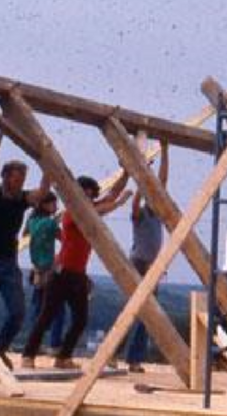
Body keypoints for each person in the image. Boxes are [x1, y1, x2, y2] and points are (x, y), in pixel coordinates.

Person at [21, 171, 130, 369]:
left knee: (80, 319)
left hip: (78, 274)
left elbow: (112, 194)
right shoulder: (72, 213)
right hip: (61, 273)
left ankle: (63, 357)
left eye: (90, 194)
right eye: (85, 194)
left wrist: (126, 173)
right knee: (47, 315)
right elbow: (106, 206)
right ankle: (28, 354)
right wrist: (119, 203)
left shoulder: (88, 210)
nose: (88, 197)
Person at [0, 133, 50, 355]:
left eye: (23, 180)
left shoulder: (23, 199)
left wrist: (47, 163)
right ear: (6, 177)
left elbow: (42, 191)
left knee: (17, 313)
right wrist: (0, 131)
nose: (20, 184)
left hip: (7, 262)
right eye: (16, 180)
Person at [122, 140, 169, 372]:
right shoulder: (140, 215)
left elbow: (162, 184)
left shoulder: (158, 215)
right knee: (133, 310)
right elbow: (135, 202)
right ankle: (116, 354)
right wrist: (142, 177)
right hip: (139, 263)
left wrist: (166, 152)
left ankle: (134, 358)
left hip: (152, 266)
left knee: (147, 314)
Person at [25, 193, 66, 350]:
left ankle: (33, 343)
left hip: (36, 268)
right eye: (53, 204)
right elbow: (64, 238)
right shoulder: (50, 223)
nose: (55, 207)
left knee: (37, 306)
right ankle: (55, 344)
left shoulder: (32, 221)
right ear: (44, 205)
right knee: (58, 309)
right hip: (49, 268)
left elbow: (25, 235)